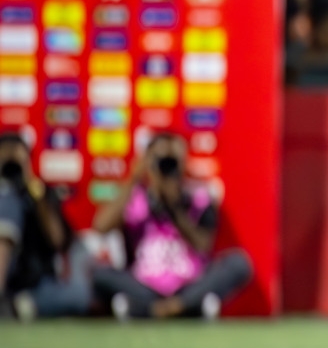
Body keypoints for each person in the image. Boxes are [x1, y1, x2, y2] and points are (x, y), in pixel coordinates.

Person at [91, 133, 252, 320]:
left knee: (238, 263)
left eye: (173, 160)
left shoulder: (198, 199)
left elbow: (203, 245)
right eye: (161, 160)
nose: (167, 166)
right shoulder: (135, 199)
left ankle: (165, 308)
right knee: (99, 273)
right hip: (144, 284)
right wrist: (135, 177)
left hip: (189, 283)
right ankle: (185, 308)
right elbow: (100, 226)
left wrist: (174, 207)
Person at [0, 133, 89, 320]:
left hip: (36, 285)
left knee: (79, 296)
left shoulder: (40, 193)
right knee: (7, 200)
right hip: (8, 278)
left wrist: (33, 189)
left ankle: (17, 306)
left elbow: (57, 239)